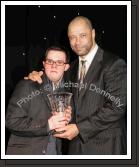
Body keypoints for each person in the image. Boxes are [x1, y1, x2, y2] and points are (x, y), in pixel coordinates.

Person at [25, 16, 127, 155]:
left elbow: (117, 106)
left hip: (106, 146)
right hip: (75, 147)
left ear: (93, 33)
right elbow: (57, 87)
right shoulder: (71, 68)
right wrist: (37, 77)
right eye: (72, 37)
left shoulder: (114, 63)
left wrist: (80, 128)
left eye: (82, 35)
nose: (77, 42)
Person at [6, 46, 72, 155]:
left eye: (59, 62)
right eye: (50, 61)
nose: (54, 65)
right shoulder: (27, 85)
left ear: (66, 67)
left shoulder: (67, 90)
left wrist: (69, 118)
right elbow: (11, 121)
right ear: (44, 64)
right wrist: (48, 124)